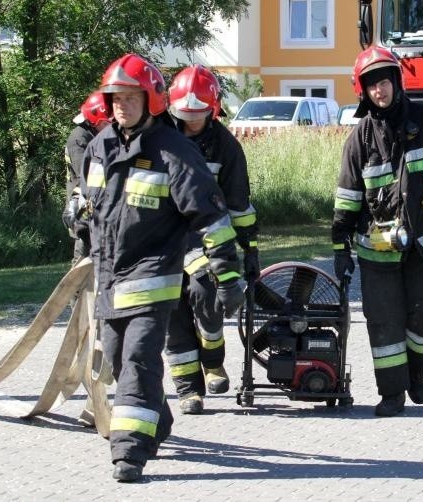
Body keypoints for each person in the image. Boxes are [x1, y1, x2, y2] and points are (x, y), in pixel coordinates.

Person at [74, 53, 245, 482]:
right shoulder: (100, 146)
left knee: (137, 361)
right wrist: (75, 218)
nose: (121, 105)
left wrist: (228, 276)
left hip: (153, 278)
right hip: (111, 276)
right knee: (115, 358)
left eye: (131, 97)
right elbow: (86, 202)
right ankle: (158, 421)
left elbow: (211, 216)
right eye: (115, 97)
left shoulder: (174, 150)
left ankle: (128, 452)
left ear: (150, 100)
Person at [332, 46, 423, 417]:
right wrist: (339, 248)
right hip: (376, 251)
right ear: (362, 91)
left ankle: (416, 370)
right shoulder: (360, 139)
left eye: (383, 82)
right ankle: (392, 394)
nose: (379, 91)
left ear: (396, 81)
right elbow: (347, 199)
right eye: (371, 86)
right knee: (384, 325)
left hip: (422, 245)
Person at [165, 64, 260, 415]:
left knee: (207, 296)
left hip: (208, 238)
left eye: (198, 114)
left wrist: (250, 248)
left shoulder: (226, 147)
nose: (191, 121)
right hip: (165, 239)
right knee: (171, 312)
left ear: (214, 109)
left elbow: (239, 204)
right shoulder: (162, 136)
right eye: (184, 114)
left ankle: (213, 360)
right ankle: (189, 389)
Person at [62, 91, 111, 266]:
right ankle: (75, 293)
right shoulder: (79, 138)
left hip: (100, 200)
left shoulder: (97, 135)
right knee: (83, 255)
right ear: (94, 120)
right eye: (106, 122)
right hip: (81, 200)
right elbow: (87, 174)